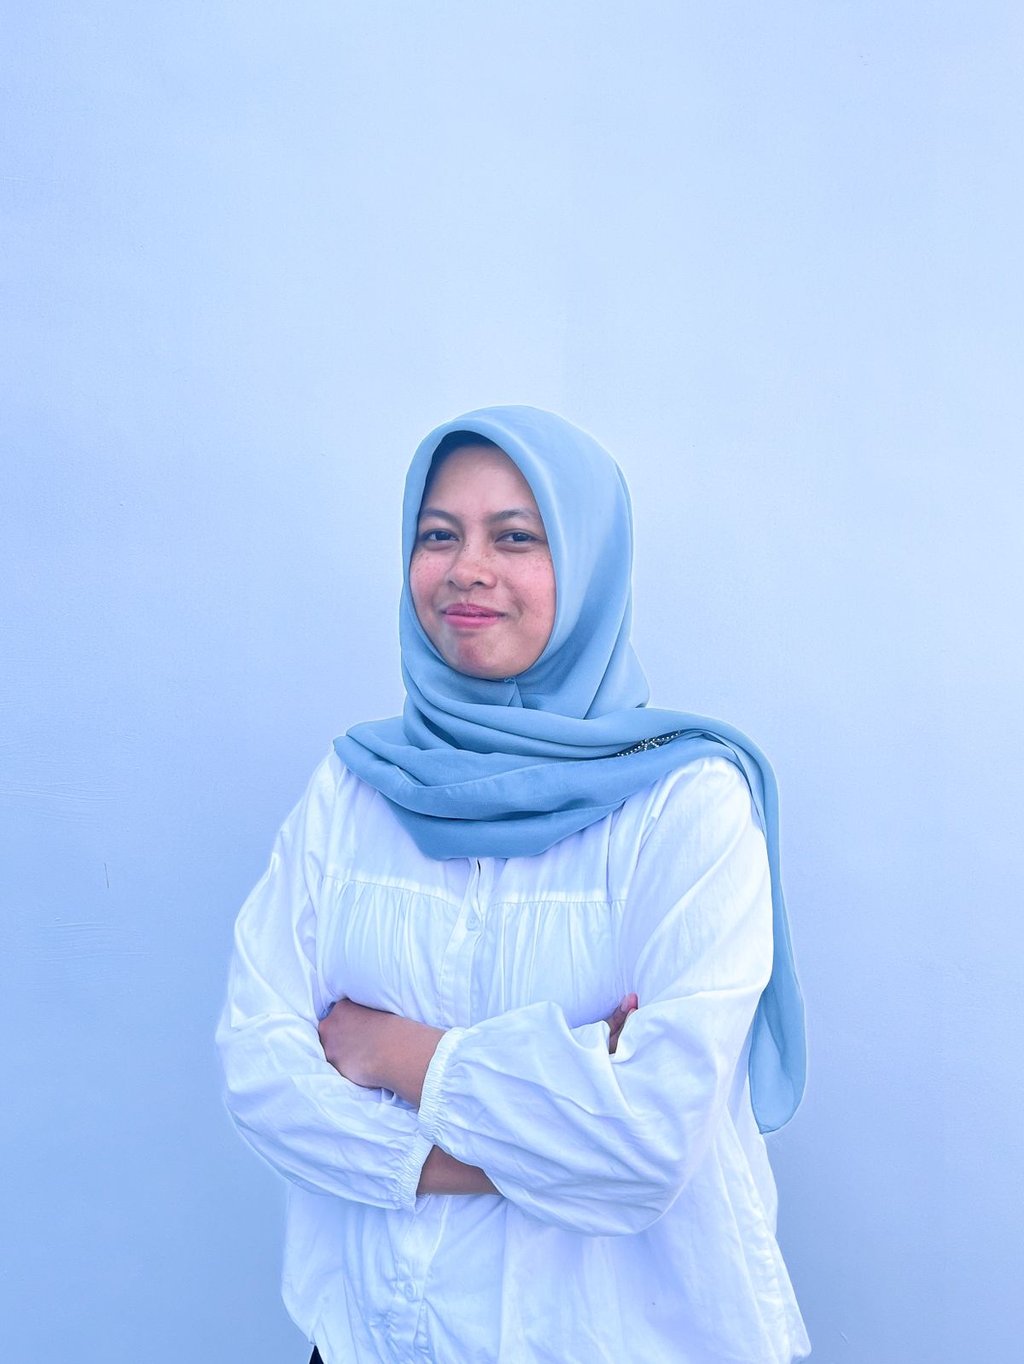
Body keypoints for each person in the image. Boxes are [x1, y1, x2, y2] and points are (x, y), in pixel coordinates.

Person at [216, 406, 810, 1364]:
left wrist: (394, 1053)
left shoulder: (686, 804)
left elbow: (647, 1143)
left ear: (588, 562)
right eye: (438, 535)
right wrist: (546, 1124)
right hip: (367, 1338)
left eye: (516, 537)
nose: (468, 569)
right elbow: (260, 1075)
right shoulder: (356, 788)